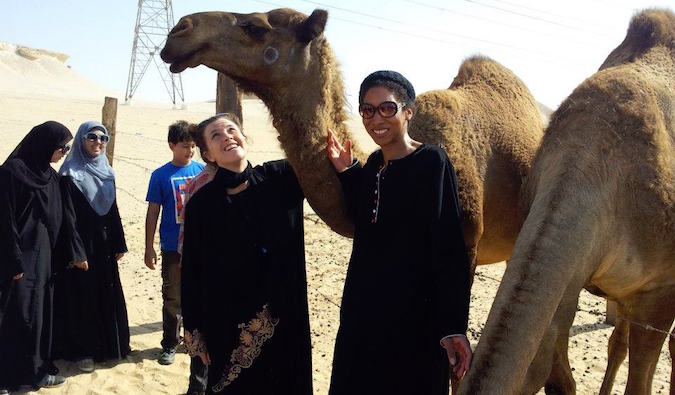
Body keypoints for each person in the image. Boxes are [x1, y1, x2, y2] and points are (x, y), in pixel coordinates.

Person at [326, 71, 472, 395]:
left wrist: (452, 326)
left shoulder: (432, 161)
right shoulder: (374, 165)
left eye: (386, 108)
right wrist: (349, 172)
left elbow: (449, 246)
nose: (376, 118)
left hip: (414, 320)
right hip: (362, 315)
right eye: (367, 110)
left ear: (408, 111)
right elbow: (363, 217)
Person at [180, 113, 312, 394]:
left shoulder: (281, 178)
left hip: (283, 318)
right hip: (226, 324)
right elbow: (192, 269)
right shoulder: (201, 206)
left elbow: (319, 162)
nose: (227, 136)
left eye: (231, 130)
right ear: (208, 154)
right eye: (216, 135)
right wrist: (193, 329)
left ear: (244, 138)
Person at [0, 121, 87, 391]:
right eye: (61, 147)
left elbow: (62, 220)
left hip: (45, 259)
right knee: (14, 317)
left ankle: (36, 372)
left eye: (67, 148)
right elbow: (5, 220)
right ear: (45, 144)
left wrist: (72, 254)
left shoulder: (50, 177)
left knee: (39, 318)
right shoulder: (11, 173)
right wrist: (12, 261)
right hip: (17, 258)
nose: (64, 152)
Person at [53, 121, 130, 372]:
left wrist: (119, 242)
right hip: (82, 247)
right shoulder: (69, 174)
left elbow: (113, 209)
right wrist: (76, 252)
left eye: (103, 138)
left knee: (105, 293)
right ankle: (82, 352)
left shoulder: (107, 172)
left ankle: (109, 348)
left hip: (105, 245)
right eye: (92, 137)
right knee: (82, 298)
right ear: (81, 140)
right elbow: (67, 218)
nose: (98, 142)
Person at [144, 120, 207, 394]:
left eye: (193, 146)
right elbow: (152, 213)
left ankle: (191, 343)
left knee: (197, 297)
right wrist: (149, 246)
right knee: (172, 297)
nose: (190, 151)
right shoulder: (160, 175)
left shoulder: (204, 171)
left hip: (200, 246)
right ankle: (169, 342)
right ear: (171, 145)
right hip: (171, 246)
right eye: (185, 146)